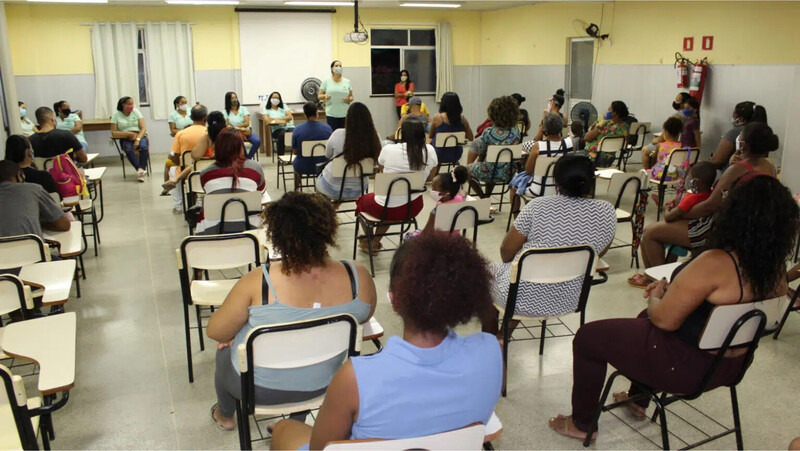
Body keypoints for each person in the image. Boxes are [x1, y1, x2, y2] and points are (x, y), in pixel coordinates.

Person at [548, 175, 799, 442]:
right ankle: (638, 399)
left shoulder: (715, 262)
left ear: (734, 214)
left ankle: (582, 424)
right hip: (731, 367)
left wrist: (656, 297)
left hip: (683, 370)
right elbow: (724, 306)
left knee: (588, 337)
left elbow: (664, 321)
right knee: (643, 319)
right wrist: (672, 298)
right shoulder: (776, 273)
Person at [270, 232, 502, 450]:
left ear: (394, 300)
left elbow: (323, 449)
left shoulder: (355, 378)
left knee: (283, 428)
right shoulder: (490, 352)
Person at [207, 191, 377, 431]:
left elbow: (215, 331)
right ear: (328, 230)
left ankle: (225, 416)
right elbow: (364, 315)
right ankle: (291, 424)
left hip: (256, 389)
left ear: (277, 236)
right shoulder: (357, 277)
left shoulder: (259, 281)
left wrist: (240, 330)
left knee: (224, 351)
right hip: (326, 383)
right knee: (310, 350)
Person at [629, 122, 779, 288]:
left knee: (650, 234)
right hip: (748, 229)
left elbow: (710, 205)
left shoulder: (737, 170)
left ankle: (660, 286)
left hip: (718, 228)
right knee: (659, 230)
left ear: (743, 144)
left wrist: (679, 212)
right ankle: (660, 280)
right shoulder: (769, 168)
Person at [483, 155, 616, 335]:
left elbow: (506, 251)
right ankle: (504, 334)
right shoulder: (607, 211)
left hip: (523, 296)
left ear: (556, 181)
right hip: (571, 297)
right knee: (528, 278)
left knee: (485, 278)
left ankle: (493, 342)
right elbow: (599, 252)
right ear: (592, 180)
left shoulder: (538, 207)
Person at [356, 117, 438, 254]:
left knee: (362, 202)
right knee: (391, 205)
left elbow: (381, 170)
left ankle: (369, 239)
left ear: (402, 133)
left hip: (385, 207)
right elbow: (430, 178)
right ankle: (374, 241)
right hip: (413, 206)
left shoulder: (389, 149)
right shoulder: (429, 150)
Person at [195, 128, 265, 235]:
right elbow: (261, 194)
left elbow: (212, 194)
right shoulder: (255, 168)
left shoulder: (205, 174)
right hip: (250, 232)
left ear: (217, 148)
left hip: (212, 232)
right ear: (240, 147)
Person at [315, 102, 381, 203]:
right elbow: (379, 160)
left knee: (320, 184)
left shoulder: (337, 134)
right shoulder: (375, 137)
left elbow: (327, 155)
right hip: (360, 188)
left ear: (348, 118)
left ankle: (327, 213)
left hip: (332, 187)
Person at [510, 113, 572, 214]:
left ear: (544, 129)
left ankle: (517, 217)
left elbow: (528, 170)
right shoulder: (569, 144)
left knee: (513, 186)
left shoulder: (539, 146)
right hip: (561, 189)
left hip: (539, 190)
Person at [467, 96, 522, 199]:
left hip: (490, 171)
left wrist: (478, 163)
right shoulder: (516, 131)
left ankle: (483, 197)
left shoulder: (488, 132)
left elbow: (482, 153)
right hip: (509, 172)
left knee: (465, 170)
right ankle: (488, 195)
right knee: (494, 165)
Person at [0, 160, 70, 239]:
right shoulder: (34, 190)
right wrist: (37, 222)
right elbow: (64, 225)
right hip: (31, 249)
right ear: (19, 176)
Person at [163, 110, 228, 194]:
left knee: (196, 165)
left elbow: (195, 156)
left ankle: (176, 178)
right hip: (230, 173)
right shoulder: (232, 136)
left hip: (206, 177)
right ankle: (177, 178)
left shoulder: (206, 138)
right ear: (225, 122)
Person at [164, 105, 209, 212]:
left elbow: (175, 156)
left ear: (191, 118)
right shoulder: (210, 133)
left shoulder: (181, 134)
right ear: (205, 118)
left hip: (187, 171)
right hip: (207, 168)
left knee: (173, 170)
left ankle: (178, 205)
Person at [407, 165, 469, 239]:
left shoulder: (438, 210)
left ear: (445, 193)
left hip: (436, 242)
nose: (431, 190)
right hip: (454, 241)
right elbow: (463, 192)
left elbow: (426, 233)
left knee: (409, 236)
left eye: (433, 188)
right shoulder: (461, 200)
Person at [428, 92, 474, 179]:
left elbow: (430, 136)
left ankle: (432, 176)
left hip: (439, 154)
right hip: (455, 153)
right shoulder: (463, 119)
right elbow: (471, 137)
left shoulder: (437, 118)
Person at [710, 101, 768, 169]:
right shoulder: (764, 133)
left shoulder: (734, 133)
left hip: (731, 173)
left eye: (734, 115)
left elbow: (717, 161)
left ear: (740, 119)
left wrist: (711, 160)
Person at [291, 102, 333, 192]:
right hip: (323, 165)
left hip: (304, 165)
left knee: (296, 162)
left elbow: (295, 151)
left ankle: (297, 189)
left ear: (304, 114)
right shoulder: (328, 129)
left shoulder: (297, 130)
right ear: (317, 113)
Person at [110, 96, 149, 181]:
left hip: (138, 135)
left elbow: (143, 128)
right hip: (125, 137)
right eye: (128, 104)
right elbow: (113, 133)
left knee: (143, 146)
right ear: (123, 105)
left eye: (132, 104)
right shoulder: (116, 115)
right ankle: (139, 169)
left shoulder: (136, 112)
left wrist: (137, 140)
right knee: (128, 149)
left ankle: (141, 170)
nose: (131, 106)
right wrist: (126, 134)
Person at [582, 101, 630, 167]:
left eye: (610, 108)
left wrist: (599, 125)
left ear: (615, 112)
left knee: (569, 158)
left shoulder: (603, 124)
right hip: (609, 160)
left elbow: (587, 138)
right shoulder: (625, 127)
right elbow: (625, 145)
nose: (608, 110)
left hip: (592, 158)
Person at [223, 91, 261, 159]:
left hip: (245, 132)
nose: (234, 99)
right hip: (234, 134)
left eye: (235, 97)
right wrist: (239, 128)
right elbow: (226, 125)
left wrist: (235, 127)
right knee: (240, 141)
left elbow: (246, 123)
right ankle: (244, 159)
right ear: (228, 100)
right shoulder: (225, 111)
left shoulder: (243, 109)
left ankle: (248, 158)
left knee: (257, 141)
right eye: (232, 98)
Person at [319, 60, 353, 131]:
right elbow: (319, 96)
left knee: (343, 135)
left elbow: (351, 97)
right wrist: (325, 96)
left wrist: (349, 99)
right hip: (331, 114)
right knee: (333, 135)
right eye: (336, 66)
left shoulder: (347, 82)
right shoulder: (326, 81)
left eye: (340, 66)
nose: (338, 67)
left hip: (344, 114)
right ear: (332, 68)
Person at [261, 91, 294, 156]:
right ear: (270, 99)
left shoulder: (284, 106)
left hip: (289, 127)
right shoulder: (267, 109)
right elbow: (267, 120)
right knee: (282, 134)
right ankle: (281, 157)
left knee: (295, 133)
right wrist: (283, 121)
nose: (275, 99)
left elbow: (290, 117)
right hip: (277, 129)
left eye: (277, 98)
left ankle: (295, 156)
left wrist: (276, 119)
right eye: (274, 97)